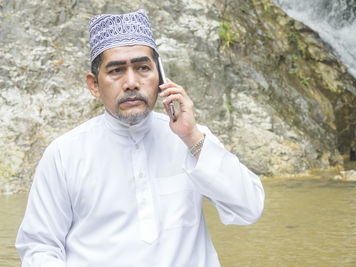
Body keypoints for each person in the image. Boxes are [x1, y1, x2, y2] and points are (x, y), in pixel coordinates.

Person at [15, 9, 265, 267]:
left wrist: (191, 137)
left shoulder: (192, 140)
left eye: (143, 68)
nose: (131, 82)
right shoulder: (64, 154)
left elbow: (249, 209)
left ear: (161, 78)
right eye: (116, 71)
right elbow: (40, 247)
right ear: (94, 85)